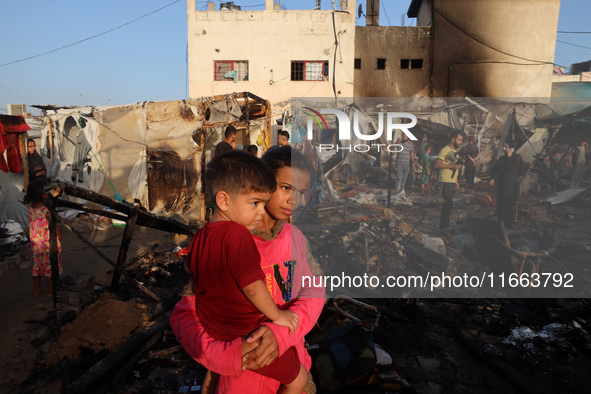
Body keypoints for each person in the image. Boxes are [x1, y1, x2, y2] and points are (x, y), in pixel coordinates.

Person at [170, 146, 324, 394]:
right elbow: (186, 312)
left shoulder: (294, 238)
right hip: (241, 377)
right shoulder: (230, 242)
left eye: (301, 192)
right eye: (285, 188)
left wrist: (279, 333)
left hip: (290, 363)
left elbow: (314, 290)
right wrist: (223, 354)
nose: (294, 199)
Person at [25, 180, 63, 297]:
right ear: (42, 195)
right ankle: (51, 292)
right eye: (45, 191)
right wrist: (59, 235)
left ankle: (37, 290)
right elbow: (53, 225)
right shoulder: (46, 210)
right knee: (49, 267)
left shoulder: (31, 207)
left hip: (36, 244)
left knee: (37, 264)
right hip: (48, 243)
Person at [488, 141, 526, 228]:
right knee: (500, 210)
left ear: (512, 149)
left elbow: (511, 170)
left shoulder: (517, 157)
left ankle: (508, 229)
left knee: (508, 210)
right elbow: (493, 170)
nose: (504, 149)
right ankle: (500, 228)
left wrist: (509, 157)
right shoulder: (502, 158)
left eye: (506, 147)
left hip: (511, 188)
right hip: (502, 187)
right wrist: (492, 178)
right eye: (504, 147)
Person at [434, 131, 464, 231]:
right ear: (453, 140)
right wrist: (452, 166)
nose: (461, 142)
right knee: (447, 203)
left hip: (451, 181)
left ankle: (446, 225)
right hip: (445, 181)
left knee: (449, 204)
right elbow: (437, 164)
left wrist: (456, 180)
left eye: (462, 140)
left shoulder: (455, 152)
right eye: (459, 140)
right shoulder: (445, 150)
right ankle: (443, 226)